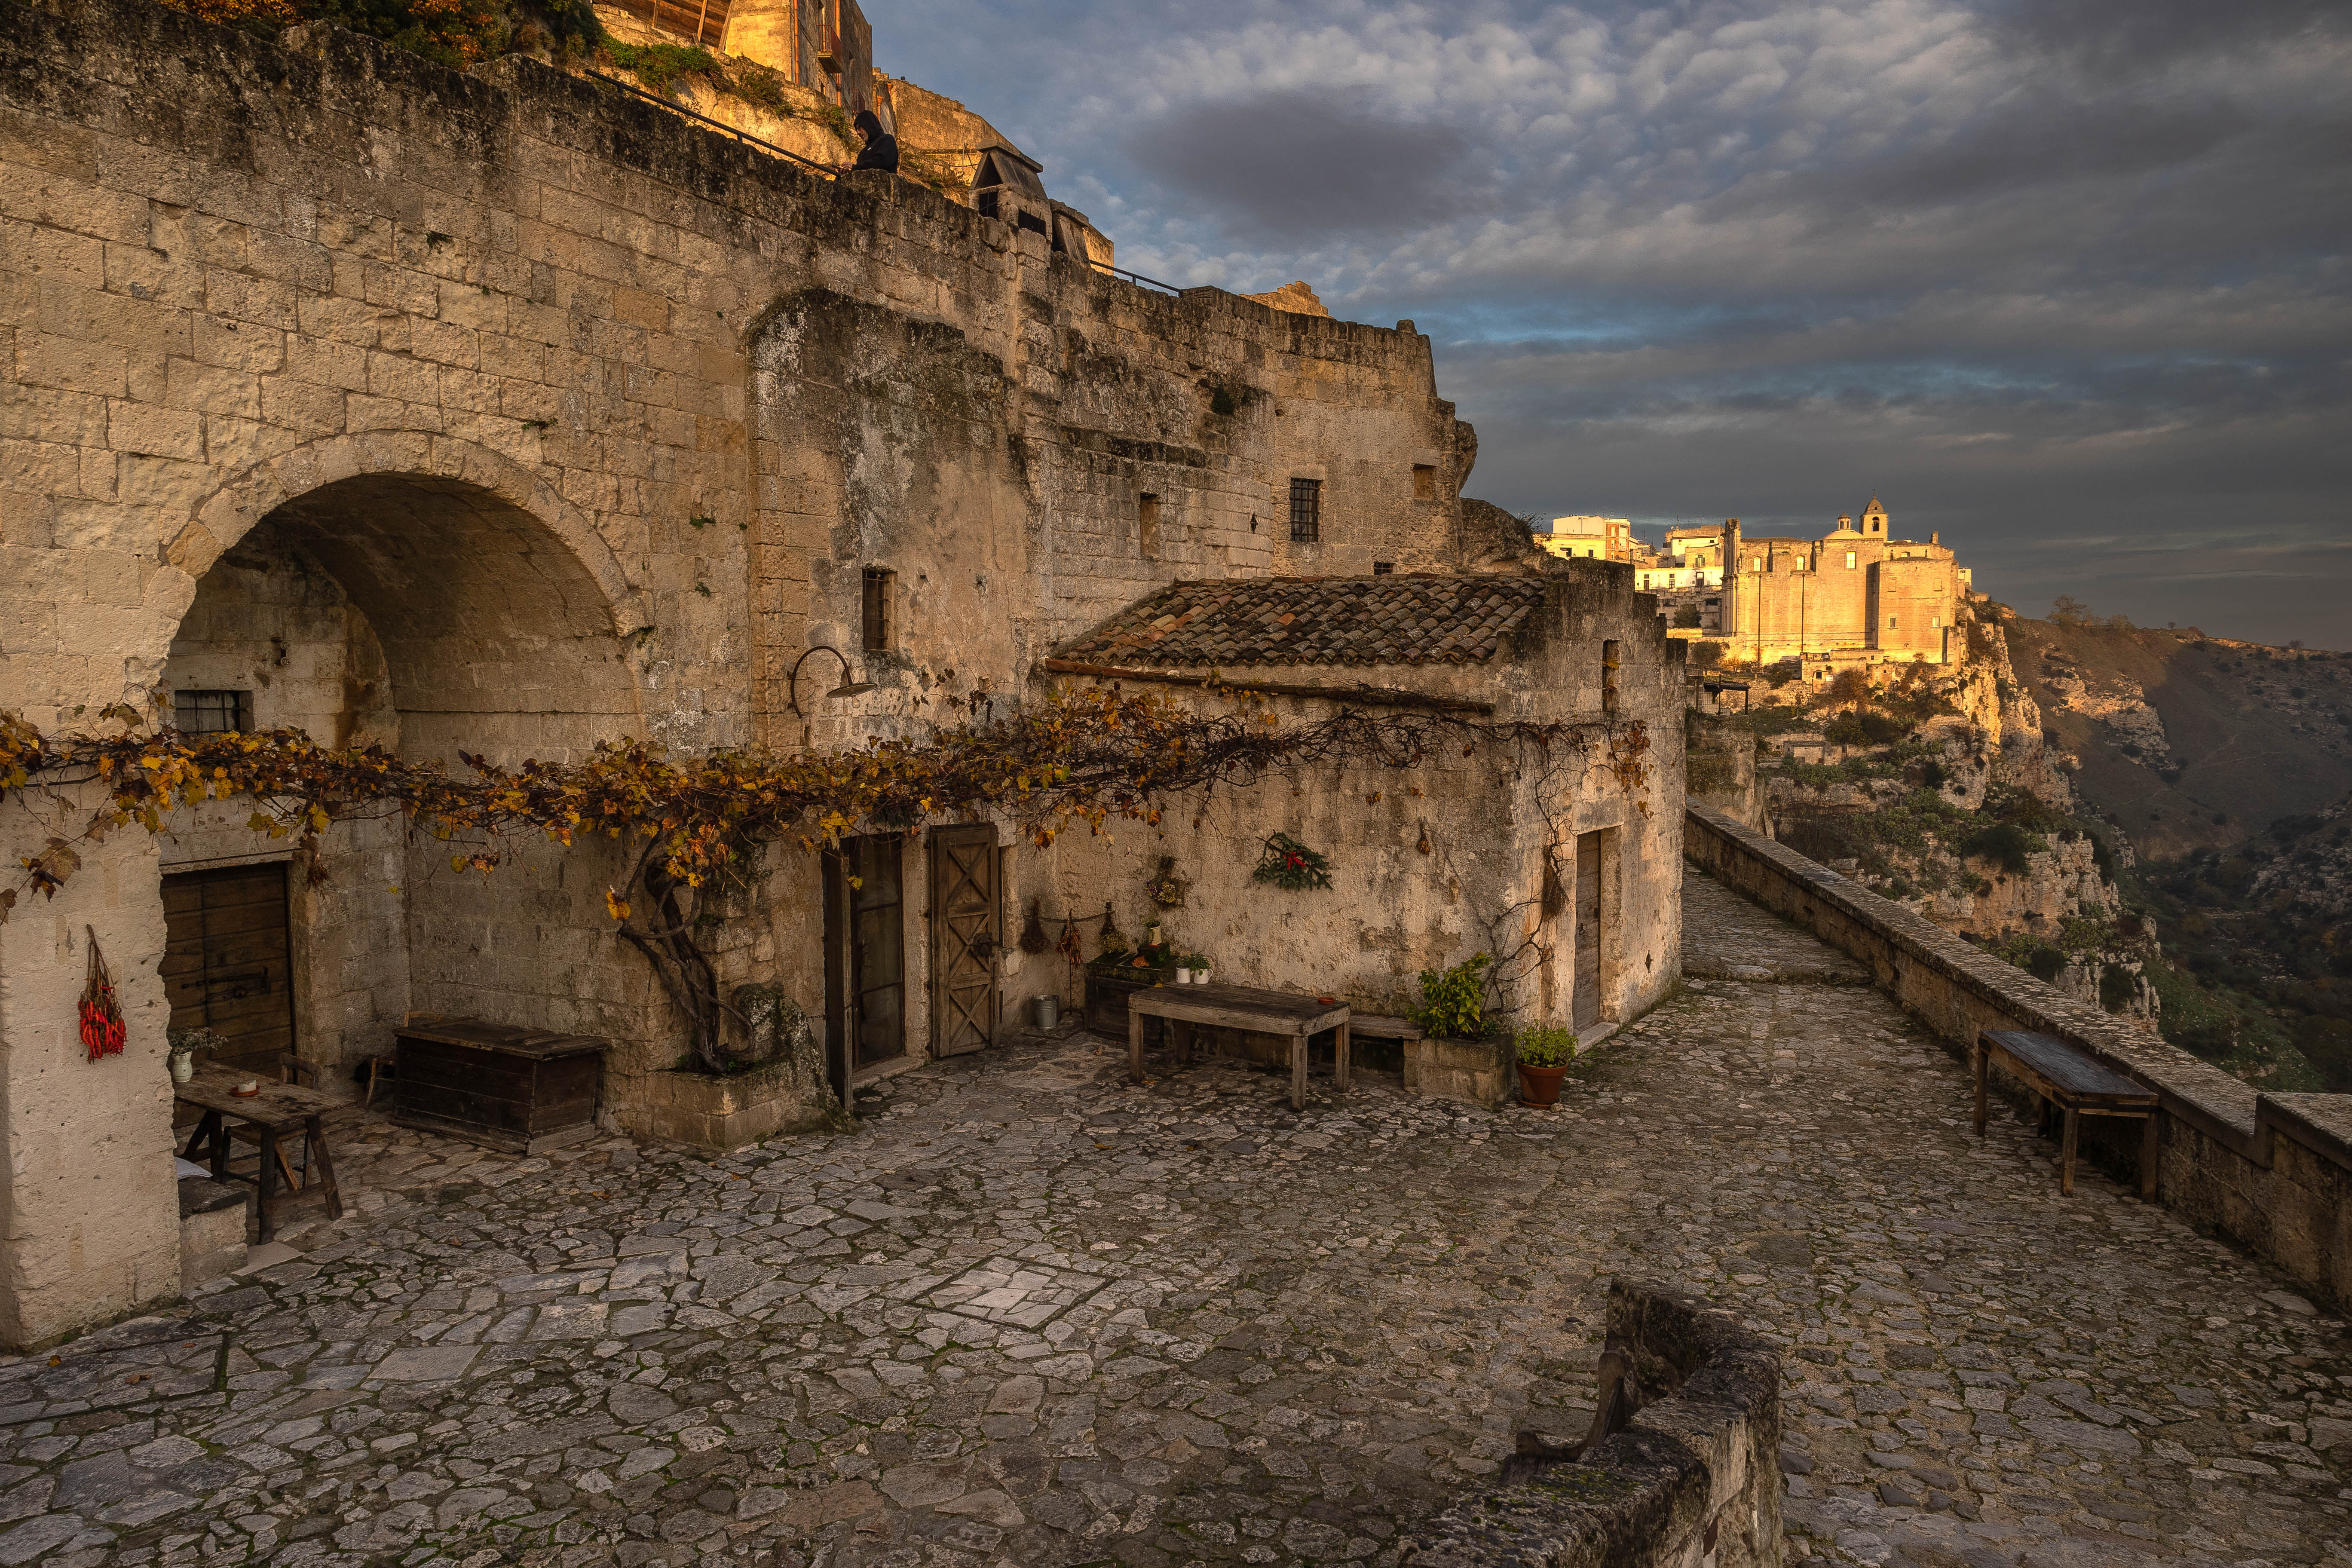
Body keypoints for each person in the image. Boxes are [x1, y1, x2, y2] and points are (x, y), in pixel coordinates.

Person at [842, 110, 898, 176]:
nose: (858, 132)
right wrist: (848, 175)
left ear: (868, 124)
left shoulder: (888, 139)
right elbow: (861, 173)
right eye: (856, 130)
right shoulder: (863, 153)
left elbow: (883, 162)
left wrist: (855, 168)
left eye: (859, 127)